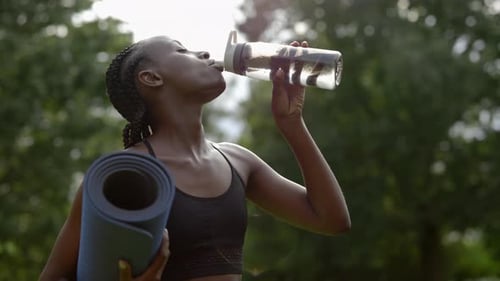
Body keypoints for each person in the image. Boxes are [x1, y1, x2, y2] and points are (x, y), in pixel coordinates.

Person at [39, 35, 351, 281]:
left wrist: (292, 124)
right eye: (182, 51)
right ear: (151, 78)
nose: (203, 53)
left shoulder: (237, 161)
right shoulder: (124, 176)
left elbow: (332, 220)